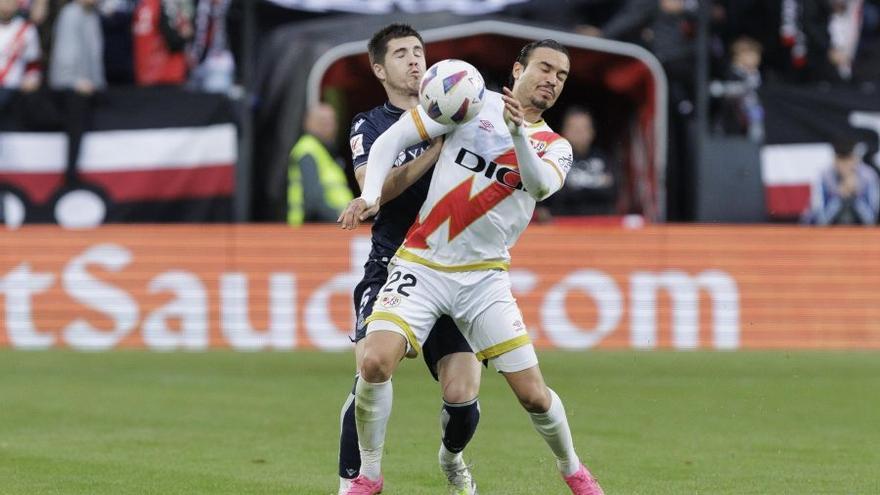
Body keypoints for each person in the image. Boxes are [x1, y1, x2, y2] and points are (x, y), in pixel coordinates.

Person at [339, 39, 604, 495]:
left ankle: (574, 471)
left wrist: (519, 133)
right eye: (544, 68)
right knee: (375, 362)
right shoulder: (468, 103)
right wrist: (372, 194)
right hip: (422, 264)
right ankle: (369, 475)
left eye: (561, 77)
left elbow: (538, 188)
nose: (551, 81)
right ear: (518, 69)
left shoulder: (555, 147)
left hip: (483, 281)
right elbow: (394, 138)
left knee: (531, 396)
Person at [334, 24, 483, 495]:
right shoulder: (371, 125)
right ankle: (356, 481)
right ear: (380, 69)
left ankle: (452, 456)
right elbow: (376, 190)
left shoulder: (466, 115)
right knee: (372, 369)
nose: (414, 60)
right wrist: (434, 151)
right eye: (400, 54)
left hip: (454, 269)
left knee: (462, 398)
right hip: (393, 264)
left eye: (418, 51)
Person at [48, 0, 105, 186]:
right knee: (75, 122)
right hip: (70, 85)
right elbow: (66, 54)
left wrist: (98, 83)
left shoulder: (92, 15)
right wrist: (74, 82)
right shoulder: (71, 14)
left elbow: (94, 55)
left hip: (90, 84)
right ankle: (71, 175)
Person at [539, 107, 619, 218]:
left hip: (601, 224)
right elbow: (551, 195)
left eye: (584, 129)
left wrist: (573, 190)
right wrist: (596, 187)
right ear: (564, 131)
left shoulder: (604, 159)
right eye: (575, 129)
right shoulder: (553, 158)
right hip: (562, 224)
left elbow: (613, 192)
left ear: (592, 131)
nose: (579, 133)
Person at [287, 102, 353, 226]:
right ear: (308, 123)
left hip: (328, 228)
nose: (329, 126)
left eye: (332, 121)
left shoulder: (323, 151)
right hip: (313, 232)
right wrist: (341, 220)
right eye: (322, 121)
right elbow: (313, 200)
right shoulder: (307, 150)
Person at [802, 138, 880, 226]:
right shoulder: (824, 177)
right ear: (834, 159)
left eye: (848, 159)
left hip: (859, 233)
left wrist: (854, 196)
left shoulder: (868, 177)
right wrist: (839, 195)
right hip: (828, 234)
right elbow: (821, 220)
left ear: (855, 159)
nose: (845, 164)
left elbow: (870, 220)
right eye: (841, 159)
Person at [0, 0, 41, 110]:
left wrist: (32, 78)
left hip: (15, 90)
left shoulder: (26, 29)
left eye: (10, 2)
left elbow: (33, 62)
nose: (7, 5)